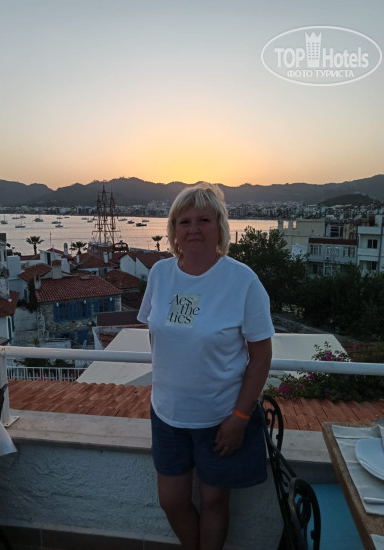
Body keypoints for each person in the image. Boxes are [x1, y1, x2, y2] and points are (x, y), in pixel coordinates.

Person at [137, 182, 274, 550]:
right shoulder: (160, 274)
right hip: (167, 415)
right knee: (172, 501)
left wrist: (240, 418)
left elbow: (261, 356)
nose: (193, 229)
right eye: (184, 221)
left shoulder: (242, 281)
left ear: (220, 228)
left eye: (204, 220)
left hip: (220, 417)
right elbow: (157, 334)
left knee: (214, 501)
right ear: (173, 230)